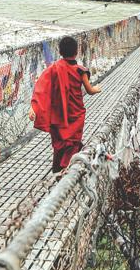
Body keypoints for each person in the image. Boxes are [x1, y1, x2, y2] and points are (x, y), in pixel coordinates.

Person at [31, 35, 100, 172]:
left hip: (59, 115)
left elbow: (41, 87)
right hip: (76, 113)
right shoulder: (81, 70)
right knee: (72, 142)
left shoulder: (54, 68)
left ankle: (58, 167)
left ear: (60, 52)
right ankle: (66, 167)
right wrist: (97, 89)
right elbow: (89, 90)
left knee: (60, 143)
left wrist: (34, 107)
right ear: (77, 51)